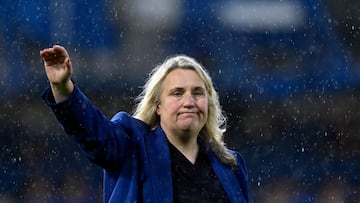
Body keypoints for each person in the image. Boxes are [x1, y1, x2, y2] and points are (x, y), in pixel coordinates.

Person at [40, 45, 250, 203]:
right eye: (177, 93)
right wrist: (62, 86)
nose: (189, 102)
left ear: (209, 103)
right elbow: (92, 132)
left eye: (198, 93)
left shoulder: (230, 165)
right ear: (158, 106)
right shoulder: (132, 145)